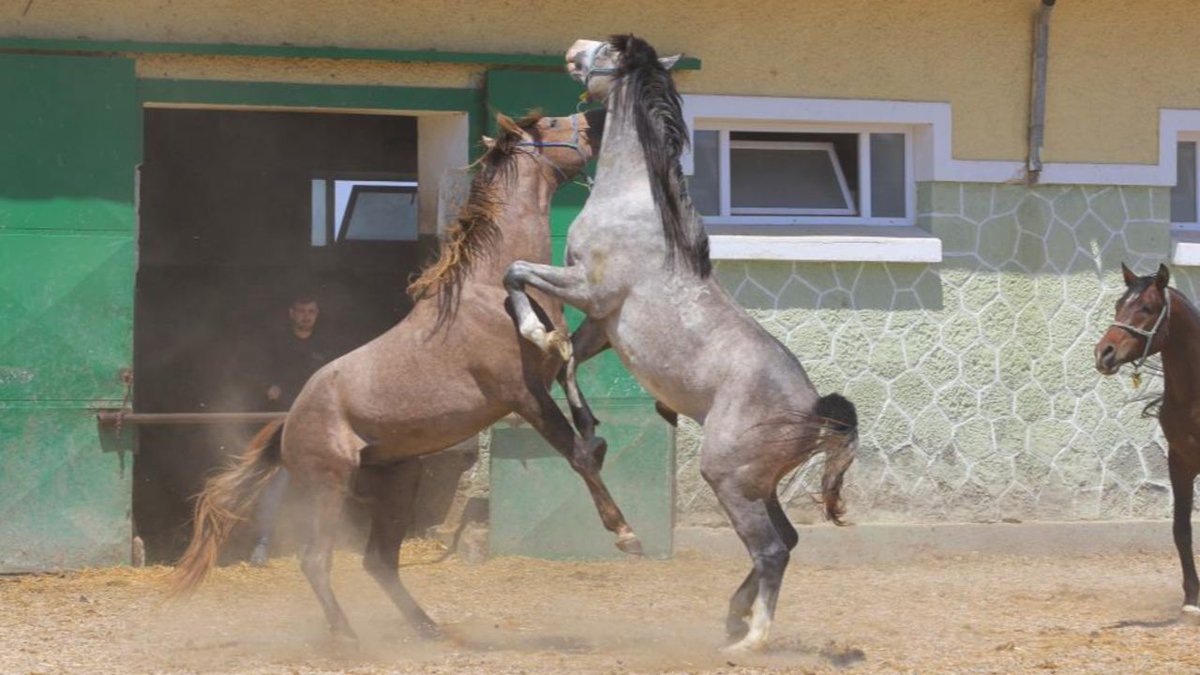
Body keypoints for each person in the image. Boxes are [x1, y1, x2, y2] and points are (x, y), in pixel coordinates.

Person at [248, 292, 336, 566]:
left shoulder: (326, 347)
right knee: (275, 484)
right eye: (301, 311)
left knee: (315, 485)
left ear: (317, 314)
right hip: (281, 425)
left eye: (311, 311)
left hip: (314, 425)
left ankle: (310, 544)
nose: (306, 316)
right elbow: (257, 374)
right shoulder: (276, 344)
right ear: (292, 313)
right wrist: (268, 387)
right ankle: (262, 543)